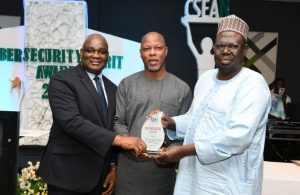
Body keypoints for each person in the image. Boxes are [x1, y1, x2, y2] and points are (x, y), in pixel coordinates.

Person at [152, 15, 271, 194]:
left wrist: (182, 151)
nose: (225, 50)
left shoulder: (253, 83)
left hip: (229, 179)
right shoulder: (206, 78)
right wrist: (171, 122)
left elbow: (237, 137)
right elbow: (195, 118)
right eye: (220, 45)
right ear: (214, 48)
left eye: (232, 45)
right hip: (193, 176)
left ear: (245, 49)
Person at [38, 33, 146, 195]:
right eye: (90, 50)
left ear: (107, 56)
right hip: (66, 176)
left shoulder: (112, 89)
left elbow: (112, 126)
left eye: (102, 52)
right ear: (81, 53)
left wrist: (113, 166)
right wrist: (121, 140)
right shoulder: (62, 80)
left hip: (99, 178)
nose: (96, 55)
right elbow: (72, 122)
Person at [113, 32, 193, 195]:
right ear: (140, 53)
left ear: (166, 51)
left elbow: (187, 130)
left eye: (157, 48)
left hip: (162, 174)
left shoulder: (182, 88)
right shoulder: (126, 85)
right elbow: (118, 121)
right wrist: (129, 142)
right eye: (147, 49)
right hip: (129, 173)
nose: (152, 53)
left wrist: (171, 151)